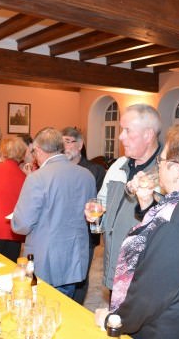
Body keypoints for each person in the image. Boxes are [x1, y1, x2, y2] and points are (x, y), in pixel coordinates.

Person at [95, 125, 179, 338]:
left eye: (161, 161)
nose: (158, 167)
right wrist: (146, 203)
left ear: (176, 169)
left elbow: (149, 293)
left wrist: (115, 320)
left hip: (166, 328)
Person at [11, 128, 97, 298]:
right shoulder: (86, 175)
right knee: (65, 310)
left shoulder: (37, 178)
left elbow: (21, 225)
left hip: (47, 260)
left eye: (34, 151)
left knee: (44, 312)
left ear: (40, 150)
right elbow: (91, 214)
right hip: (75, 257)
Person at [98, 104, 162, 291]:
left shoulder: (168, 173)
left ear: (148, 135)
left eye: (127, 130)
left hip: (145, 276)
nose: (120, 137)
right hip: (114, 267)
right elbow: (101, 203)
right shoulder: (118, 165)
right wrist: (96, 213)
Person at [62, 126, 106, 304]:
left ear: (79, 145)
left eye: (67, 142)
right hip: (61, 230)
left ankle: (76, 310)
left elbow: (99, 202)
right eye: (61, 143)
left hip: (84, 233)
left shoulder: (95, 170)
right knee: (61, 274)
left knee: (79, 276)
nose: (63, 147)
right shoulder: (58, 169)